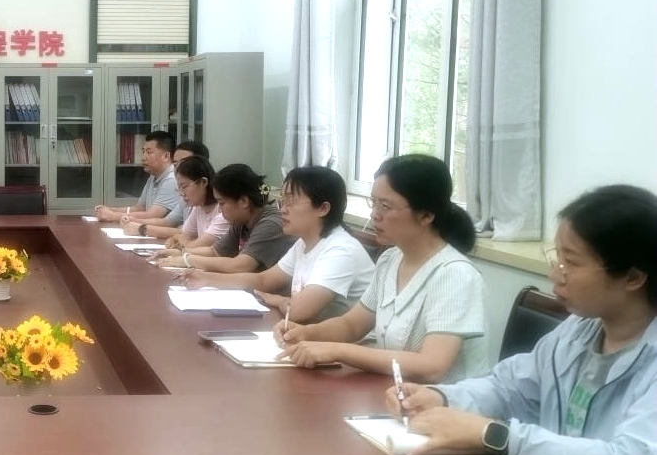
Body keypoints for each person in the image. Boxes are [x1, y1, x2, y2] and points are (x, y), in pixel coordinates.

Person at [385, 185, 657, 455]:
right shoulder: (578, 330)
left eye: (571, 262)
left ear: (633, 278)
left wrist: (499, 437)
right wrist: (441, 398)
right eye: (557, 257)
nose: (556, 274)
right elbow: (509, 387)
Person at [275, 154, 486, 383]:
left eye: (385, 206)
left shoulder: (455, 275)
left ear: (426, 215)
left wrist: (337, 351)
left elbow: (431, 366)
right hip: (395, 391)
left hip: (445, 401)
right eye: (373, 202)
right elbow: (351, 325)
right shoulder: (390, 260)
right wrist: (307, 333)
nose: (374, 214)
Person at [185, 166, 374, 323]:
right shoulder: (304, 242)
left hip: (350, 348)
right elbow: (264, 280)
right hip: (312, 336)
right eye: (283, 201)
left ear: (323, 208)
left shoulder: (341, 250)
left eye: (291, 202)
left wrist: (278, 300)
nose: (283, 209)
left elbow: (298, 311)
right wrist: (207, 278)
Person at [154, 163, 294, 275]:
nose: (220, 210)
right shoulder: (242, 220)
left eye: (222, 203)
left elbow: (239, 266)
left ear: (243, 202)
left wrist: (188, 260)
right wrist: (181, 252)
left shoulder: (271, 223)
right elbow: (215, 251)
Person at [136, 156, 227, 249]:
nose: (181, 193)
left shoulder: (223, 211)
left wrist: (183, 243)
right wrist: (176, 240)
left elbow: (194, 246)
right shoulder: (198, 207)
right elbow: (183, 235)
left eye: (184, 187)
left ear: (203, 182)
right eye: (179, 188)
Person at [123, 141, 209, 234]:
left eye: (184, 164)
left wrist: (142, 228)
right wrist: (133, 220)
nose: (178, 169)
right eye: (175, 164)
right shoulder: (188, 196)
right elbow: (168, 222)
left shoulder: (212, 204)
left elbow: (188, 234)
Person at [94, 130, 182, 222]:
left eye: (149, 152)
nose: (143, 158)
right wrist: (112, 210)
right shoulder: (153, 176)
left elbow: (153, 215)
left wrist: (113, 216)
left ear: (166, 156)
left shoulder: (172, 180)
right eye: (143, 151)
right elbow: (140, 208)